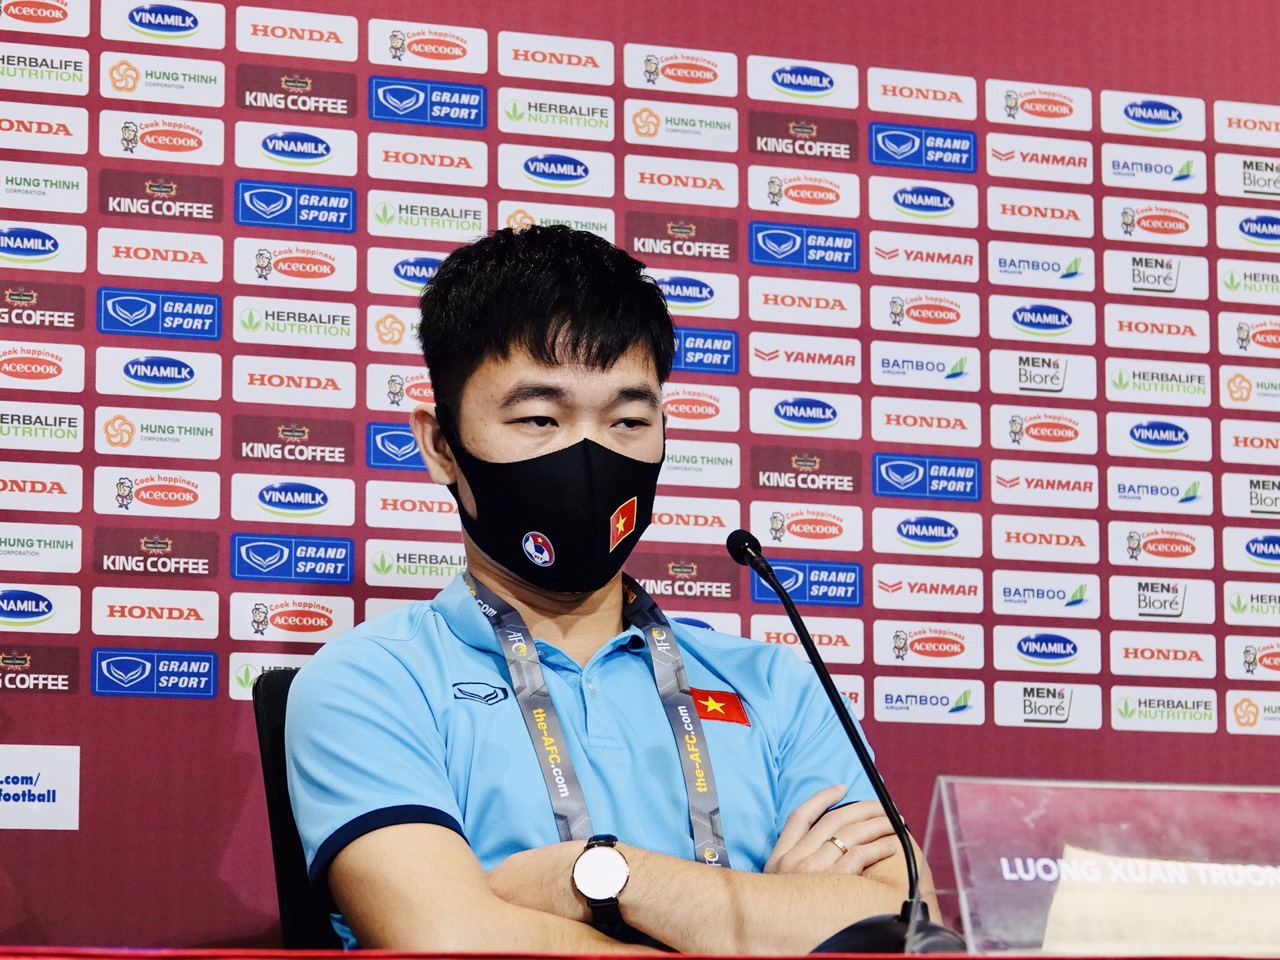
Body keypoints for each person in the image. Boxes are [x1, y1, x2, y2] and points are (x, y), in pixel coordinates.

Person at [286, 225, 933, 953]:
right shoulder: (371, 682)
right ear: (441, 444)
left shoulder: (776, 685)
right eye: (539, 418)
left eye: (628, 420)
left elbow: (904, 927)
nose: (589, 455)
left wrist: (597, 877)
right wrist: (765, 923)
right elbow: (448, 939)